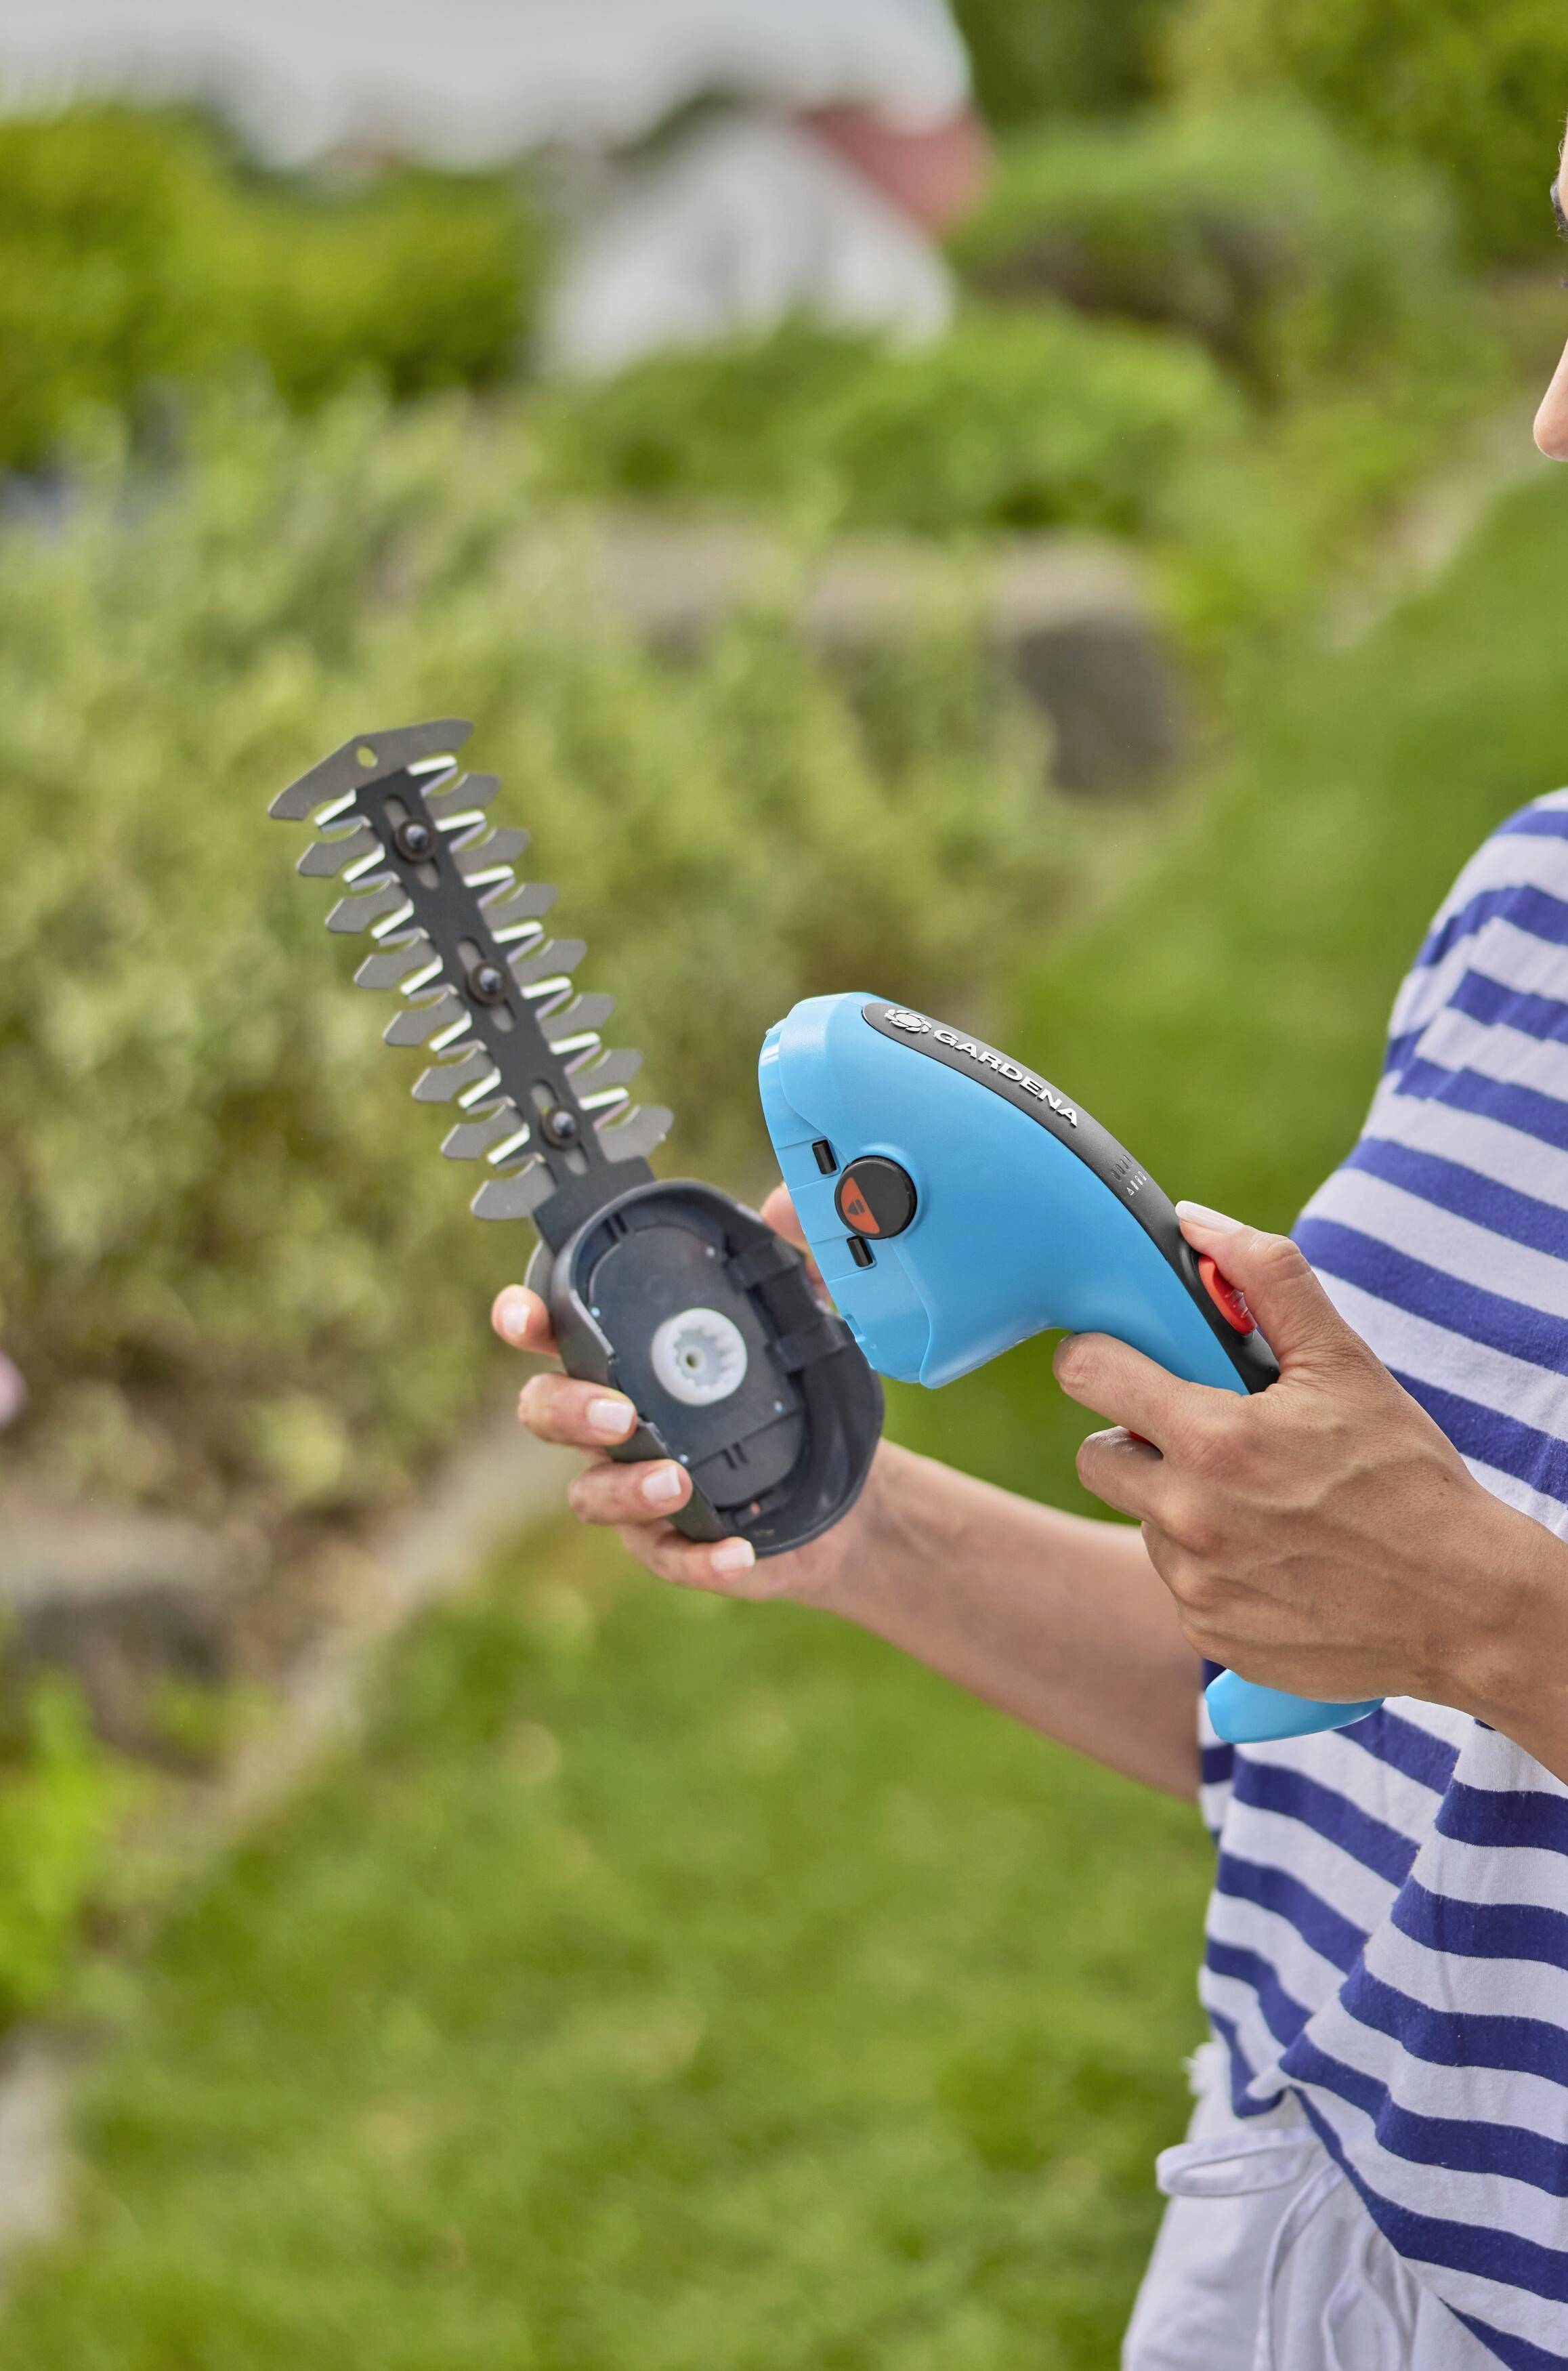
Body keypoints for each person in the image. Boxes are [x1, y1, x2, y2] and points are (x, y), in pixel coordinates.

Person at [489, 140, 1568, 2371]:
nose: (1549, 417)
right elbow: (1320, 1719)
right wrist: (847, 1512)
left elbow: (1447, 1623)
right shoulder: (1531, 909)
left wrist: (1478, 1604)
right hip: (1297, 2219)